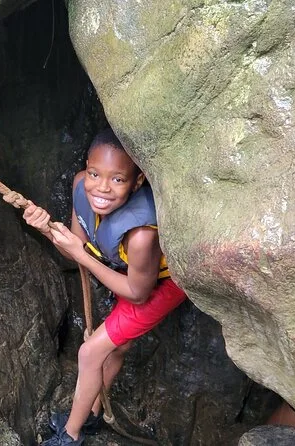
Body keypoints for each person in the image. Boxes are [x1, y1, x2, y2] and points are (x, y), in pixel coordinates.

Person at [20, 129, 187, 445]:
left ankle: (71, 435)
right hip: (126, 275)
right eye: (95, 173)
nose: (102, 187)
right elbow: (75, 247)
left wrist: (81, 254)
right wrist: (46, 229)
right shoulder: (81, 187)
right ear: (87, 167)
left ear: (136, 182)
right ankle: (93, 413)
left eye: (118, 179)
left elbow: (138, 293)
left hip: (159, 287)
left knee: (90, 351)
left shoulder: (141, 235)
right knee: (117, 347)